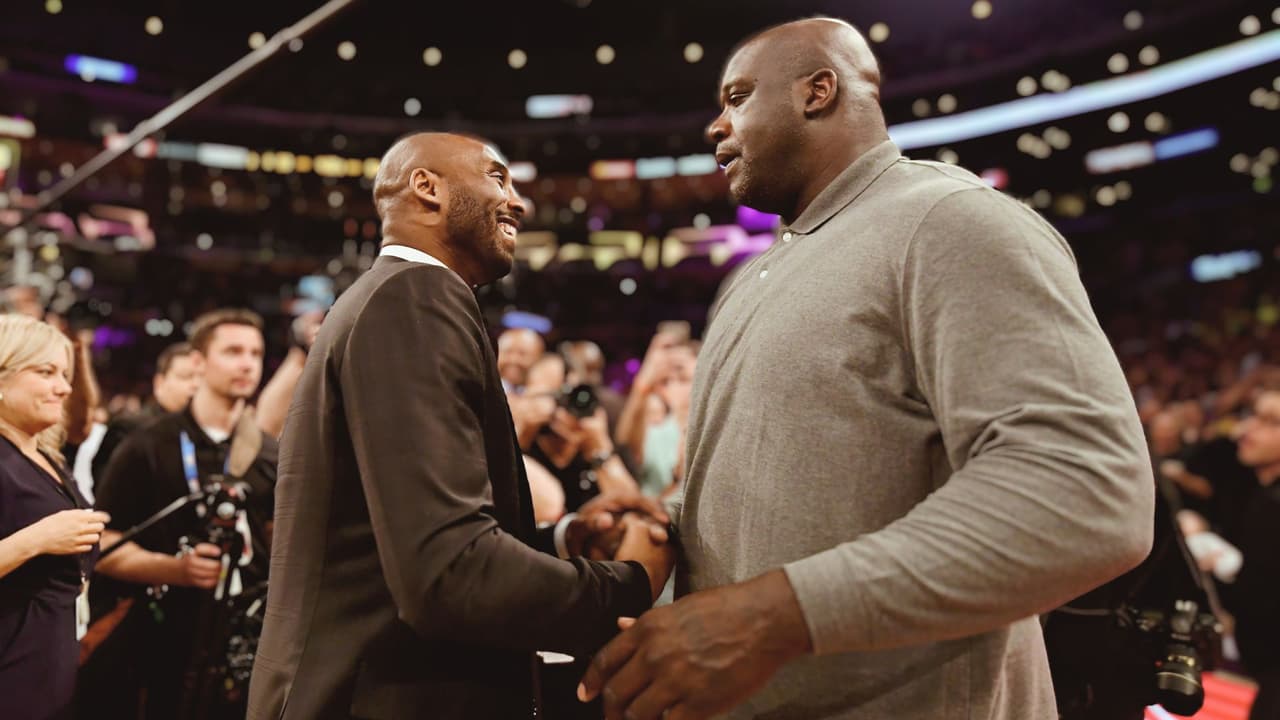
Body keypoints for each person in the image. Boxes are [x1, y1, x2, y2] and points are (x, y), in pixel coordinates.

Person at [579, 17, 1153, 720]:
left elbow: (1085, 494)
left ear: (818, 91)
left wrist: (769, 615)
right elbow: (811, 481)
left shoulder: (950, 221)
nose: (713, 126)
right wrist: (671, 525)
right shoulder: (754, 275)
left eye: (735, 98)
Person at [246, 132, 674, 720]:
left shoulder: (387, 299)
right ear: (428, 188)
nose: (518, 202)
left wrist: (562, 540)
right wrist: (628, 585)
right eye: (498, 178)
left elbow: (387, 539)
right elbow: (448, 575)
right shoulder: (414, 298)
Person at [85, 309, 278, 720]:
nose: (247, 363)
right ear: (198, 362)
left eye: (256, 353)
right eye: (232, 351)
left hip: (244, 647)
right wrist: (174, 570)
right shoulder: (147, 446)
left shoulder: (270, 454)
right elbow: (102, 542)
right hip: (159, 645)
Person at [0, 314, 110, 720]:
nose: (63, 387)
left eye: (63, 374)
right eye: (45, 372)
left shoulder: (45, 454)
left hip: (48, 674)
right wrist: (39, 538)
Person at [87, 341, 201, 489]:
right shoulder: (129, 428)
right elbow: (108, 490)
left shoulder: (209, 435)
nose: (196, 385)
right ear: (159, 383)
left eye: (202, 378)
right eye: (186, 377)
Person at [497, 327, 545, 394]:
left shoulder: (547, 394)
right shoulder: (483, 391)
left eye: (522, 354)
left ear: (538, 358)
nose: (513, 360)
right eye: (508, 352)